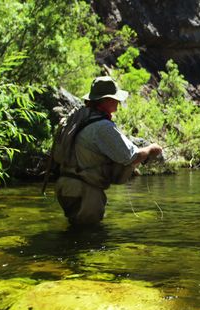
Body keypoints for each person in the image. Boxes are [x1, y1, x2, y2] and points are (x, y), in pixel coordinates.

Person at [55, 76, 162, 226]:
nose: (118, 102)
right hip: (84, 191)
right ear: (107, 100)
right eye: (116, 98)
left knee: (76, 236)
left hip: (65, 186)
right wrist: (152, 149)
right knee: (89, 239)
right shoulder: (102, 127)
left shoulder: (80, 119)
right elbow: (131, 156)